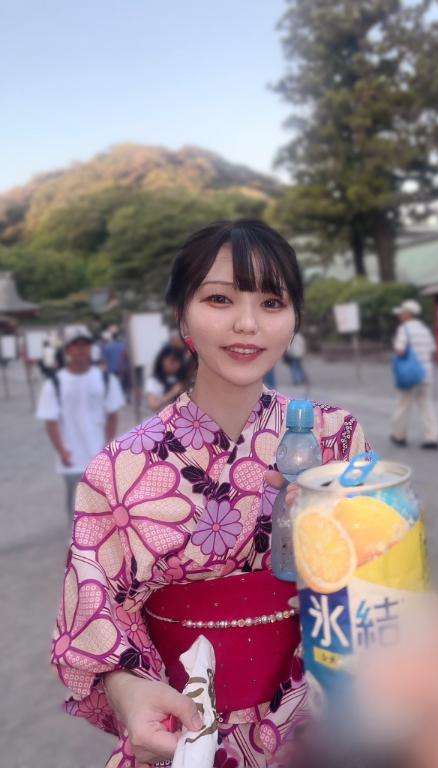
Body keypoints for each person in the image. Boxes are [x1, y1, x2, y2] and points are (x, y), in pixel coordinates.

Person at [50, 220, 369, 768]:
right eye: (220, 299)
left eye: (272, 302)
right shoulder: (120, 467)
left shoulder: (335, 436)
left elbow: (382, 582)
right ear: (182, 315)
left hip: (320, 725)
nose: (247, 323)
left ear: (294, 320)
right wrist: (126, 693)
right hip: (187, 734)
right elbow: (94, 618)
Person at [36, 326, 125, 519]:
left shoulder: (105, 379)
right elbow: (50, 422)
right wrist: (62, 450)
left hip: (99, 454)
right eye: (76, 345)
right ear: (68, 350)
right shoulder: (54, 383)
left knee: (104, 502)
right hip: (72, 457)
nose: (81, 349)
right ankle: (76, 533)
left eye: (85, 344)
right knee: (76, 503)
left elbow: (112, 415)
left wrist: (108, 445)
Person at [390, 300, 438, 450]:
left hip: (409, 374)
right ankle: (432, 437)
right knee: (426, 405)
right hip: (425, 374)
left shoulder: (404, 329)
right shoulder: (424, 329)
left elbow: (400, 350)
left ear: (407, 314)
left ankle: (399, 435)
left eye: (401, 313)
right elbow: (433, 350)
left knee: (403, 404)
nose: (399, 316)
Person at [145, 345, 188, 412]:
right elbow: (153, 405)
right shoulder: (153, 381)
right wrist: (172, 393)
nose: (176, 365)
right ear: (162, 360)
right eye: (172, 362)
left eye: (178, 362)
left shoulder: (179, 377)